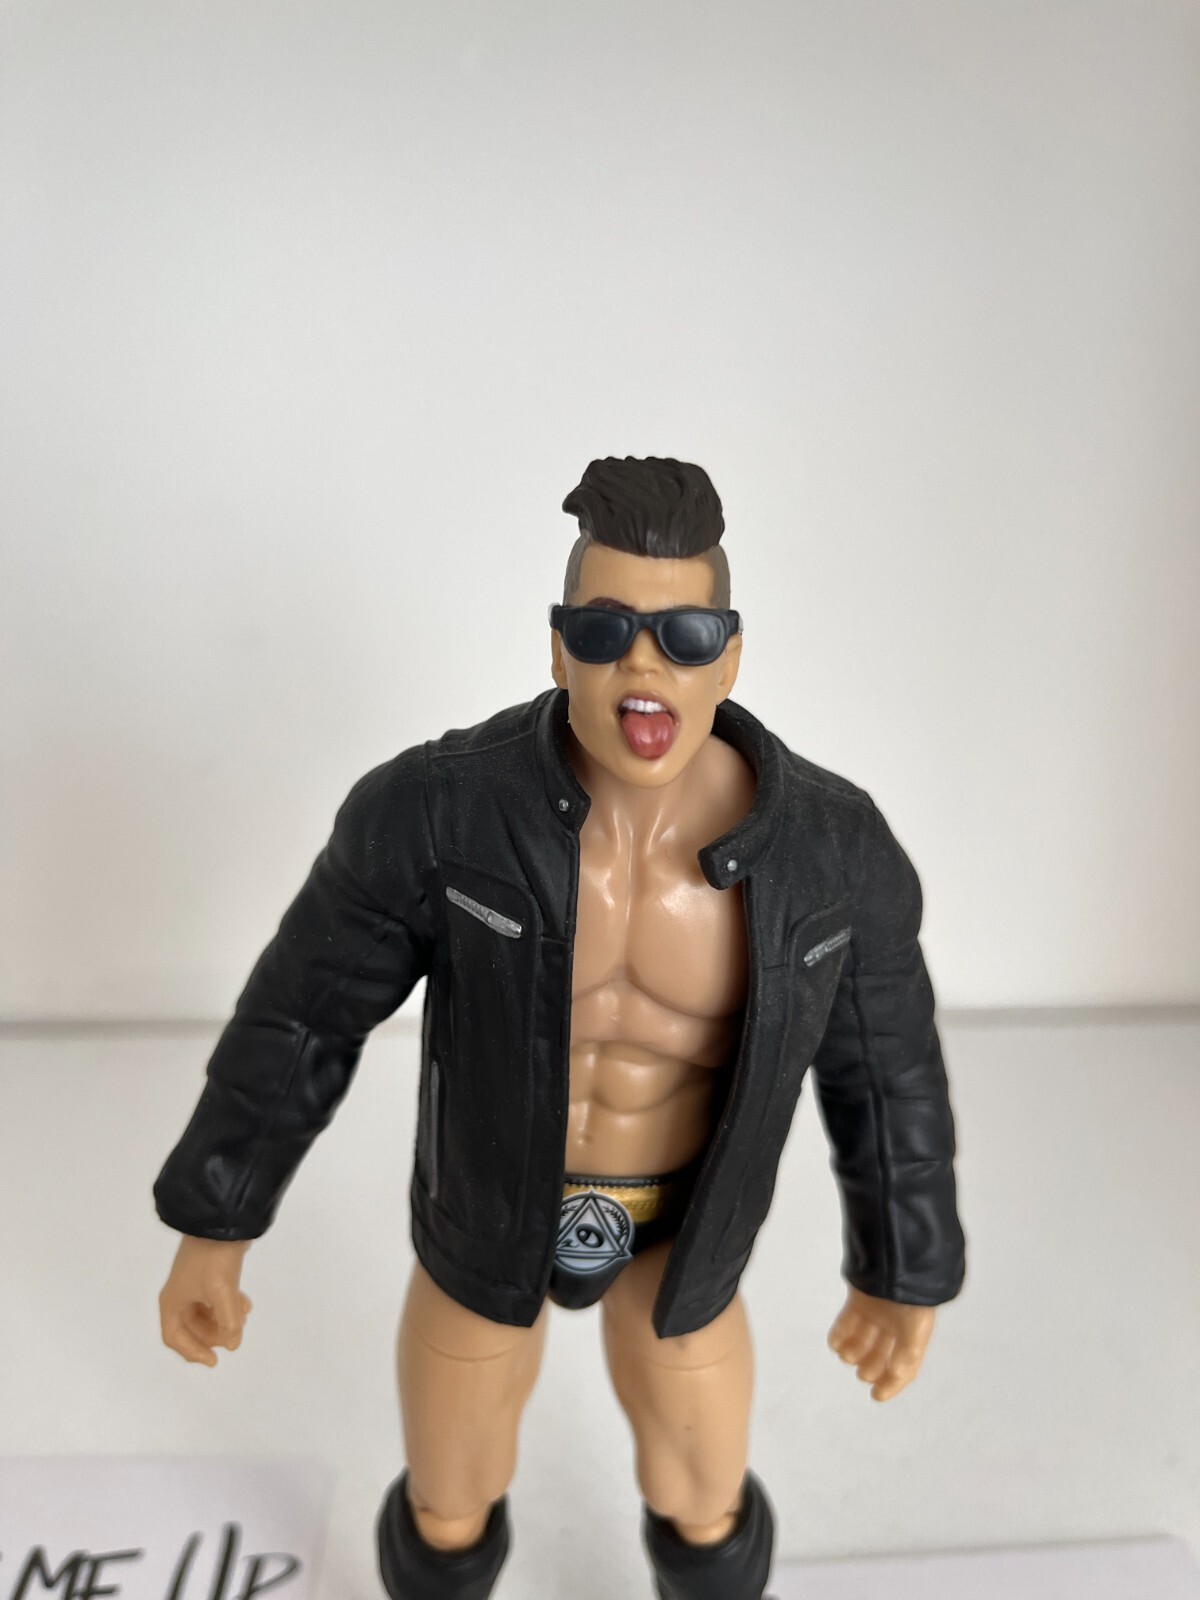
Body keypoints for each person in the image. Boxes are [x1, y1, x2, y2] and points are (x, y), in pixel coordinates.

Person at [155, 457, 965, 1600]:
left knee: (704, 1493)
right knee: (448, 1497)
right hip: (487, 1213)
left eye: (683, 633)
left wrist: (904, 1263)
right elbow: (303, 1014)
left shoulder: (829, 852)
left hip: (683, 1229)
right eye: (604, 628)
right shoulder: (438, 812)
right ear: (557, 646)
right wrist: (216, 1218)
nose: (644, 661)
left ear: (730, 655)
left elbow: (888, 1068)